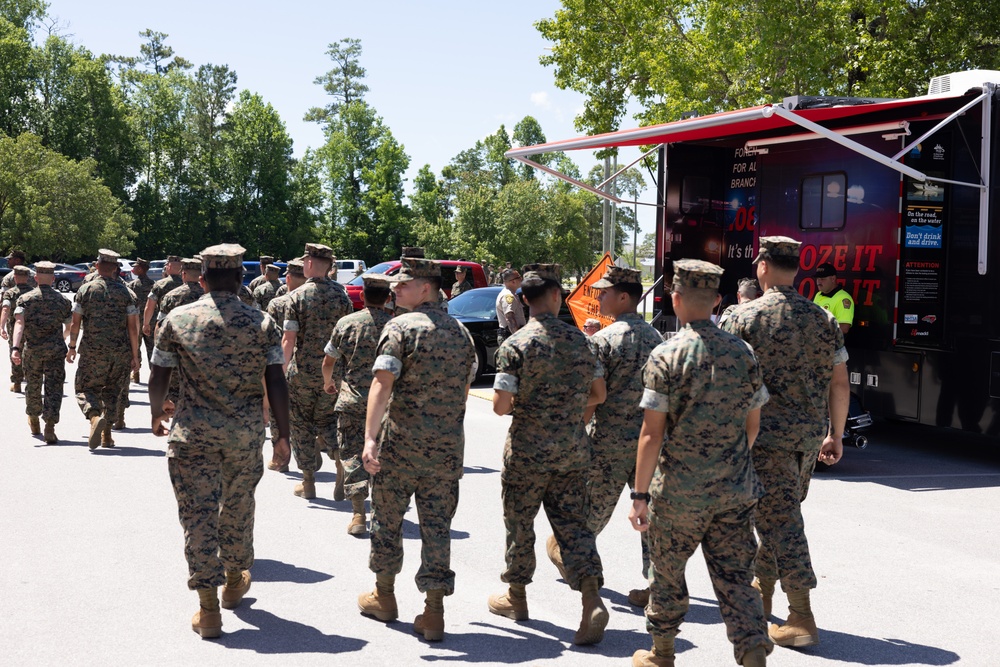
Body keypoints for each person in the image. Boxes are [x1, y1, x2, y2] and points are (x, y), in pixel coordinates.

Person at [629, 259, 771, 667]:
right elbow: (752, 424)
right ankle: (753, 652)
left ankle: (662, 652)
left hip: (678, 494)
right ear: (716, 301)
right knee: (736, 579)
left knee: (667, 573)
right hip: (735, 489)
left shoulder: (666, 355)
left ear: (675, 298)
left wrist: (640, 494)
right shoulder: (743, 352)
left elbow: (651, 435)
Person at [149, 243, 291, 640]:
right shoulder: (261, 322)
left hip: (192, 434)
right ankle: (233, 578)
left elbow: (159, 374)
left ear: (204, 278)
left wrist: (156, 413)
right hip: (243, 436)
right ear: (241, 278)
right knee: (238, 507)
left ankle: (208, 610)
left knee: (197, 515)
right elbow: (276, 380)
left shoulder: (178, 318)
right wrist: (283, 434)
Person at [722, 236, 849, 649]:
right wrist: (836, 434)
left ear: (762, 266)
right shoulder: (823, 319)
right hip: (807, 439)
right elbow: (841, 381)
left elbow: (723, 384)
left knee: (782, 523)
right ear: (795, 269)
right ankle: (763, 592)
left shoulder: (744, 317)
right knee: (781, 515)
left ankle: (801, 615)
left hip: (763, 439)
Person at [487, 264, 610, 646]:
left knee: (520, 524)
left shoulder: (515, 345)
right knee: (574, 525)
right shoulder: (583, 342)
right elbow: (600, 394)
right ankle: (591, 597)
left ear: (525, 301)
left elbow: (500, 406)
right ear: (557, 297)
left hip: (526, 452)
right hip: (572, 450)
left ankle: (517, 597)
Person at [357, 257, 476, 643]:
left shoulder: (400, 327)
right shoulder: (461, 332)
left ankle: (385, 595)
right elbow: (464, 390)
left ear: (426, 288)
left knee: (388, 522)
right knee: (437, 529)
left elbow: (381, 384)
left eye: (403, 285)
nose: (395, 290)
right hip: (445, 450)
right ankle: (434, 611)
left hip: (400, 448)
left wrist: (370, 438)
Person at [549, 266, 662, 607]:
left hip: (608, 444)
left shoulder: (603, 341)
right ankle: (657, 587)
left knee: (586, 516)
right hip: (650, 443)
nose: (599, 297)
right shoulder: (658, 340)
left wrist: (574, 434)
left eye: (605, 292)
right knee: (651, 519)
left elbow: (590, 395)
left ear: (625, 296)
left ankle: (583, 573)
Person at [322, 273, 393, 535]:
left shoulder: (347, 323)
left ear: (362, 296)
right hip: (386, 404)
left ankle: (358, 515)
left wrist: (328, 383)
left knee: (352, 454)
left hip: (352, 400)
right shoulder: (396, 326)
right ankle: (383, 513)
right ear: (388, 298)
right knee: (383, 456)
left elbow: (328, 360)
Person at [282, 243, 352, 499]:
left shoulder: (297, 297)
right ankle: (339, 464)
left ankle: (308, 481)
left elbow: (289, 340)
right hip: (333, 373)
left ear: (310, 264)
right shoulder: (342, 296)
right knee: (329, 421)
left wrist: (280, 371)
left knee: (300, 425)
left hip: (302, 374)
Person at [67, 249, 140, 450]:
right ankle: (107, 434)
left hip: (92, 351)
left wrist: (72, 347)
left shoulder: (86, 290)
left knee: (85, 388)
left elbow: (75, 323)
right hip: (120, 352)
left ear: (97, 266)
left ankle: (94, 417)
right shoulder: (128, 293)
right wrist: (135, 356)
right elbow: (133, 328)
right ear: (116, 268)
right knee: (113, 392)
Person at [10, 261, 72, 443]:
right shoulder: (63, 301)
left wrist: (15, 348)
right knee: (54, 388)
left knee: (33, 385)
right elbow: (70, 326)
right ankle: (50, 426)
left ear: (35, 278)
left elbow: (19, 324)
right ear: (53, 279)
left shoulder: (25, 299)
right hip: (55, 350)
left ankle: (34, 419)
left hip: (33, 350)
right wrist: (63, 338)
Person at [264, 257, 305, 472]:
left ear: (287, 277)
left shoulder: (277, 303)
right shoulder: (318, 298)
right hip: (315, 366)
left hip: (282, 362)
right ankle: (309, 456)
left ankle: (280, 458)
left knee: (277, 411)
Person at [1, 265, 34, 392]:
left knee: (15, 352)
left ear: (14, 277)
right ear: (27, 277)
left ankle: (17, 383)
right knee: (30, 353)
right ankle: (31, 381)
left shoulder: (10, 293)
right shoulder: (33, 293)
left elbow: (5, 308)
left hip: (14, 327)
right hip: (31, 328)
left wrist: (1, 326)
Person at [127, 258, 156, 382]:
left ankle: (136, 372)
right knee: (152, 348)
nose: (133, 269)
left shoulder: (132, 285)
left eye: (135, 267)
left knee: (135, 347)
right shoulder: (154, 285)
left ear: (140, 269)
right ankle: (154, 375)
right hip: (151, 321)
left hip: (136, 322)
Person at [143, 255, 183, 341]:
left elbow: (150, 306)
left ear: (169, 267)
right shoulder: (186, 283)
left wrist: (146, 324)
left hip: (164, 325)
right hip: (184, 325)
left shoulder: (160, 284)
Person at [812, 263, 854, 334]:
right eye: (818, 278)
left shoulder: (843, 298)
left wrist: (819, 330)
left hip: (829, 343)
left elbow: (844, 328)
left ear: (833, 279)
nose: (819, 282)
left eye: (822, 279)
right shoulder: (819, 295)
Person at [495, 268, 525, 345]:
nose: (521, 279)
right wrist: (518, 339)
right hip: (510, 337)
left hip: (511, 335)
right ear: (513, 281)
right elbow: (510, 318)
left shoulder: (512, 294)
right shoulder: (508, 296)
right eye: (519, 277)